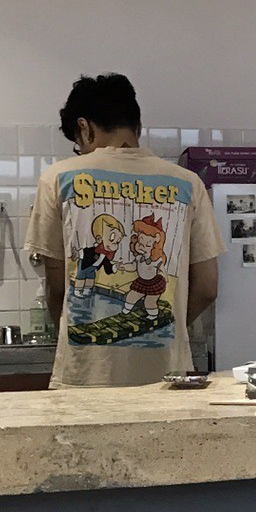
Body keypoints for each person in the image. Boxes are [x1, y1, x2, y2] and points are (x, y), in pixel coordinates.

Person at [26, 73, 224, 388]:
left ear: (85, 128)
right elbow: (208, 287)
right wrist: (168, 327)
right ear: (137, 126)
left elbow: (56, 285)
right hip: (167, 378)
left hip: (85, 378)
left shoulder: (58, 179)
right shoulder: (188, 184)